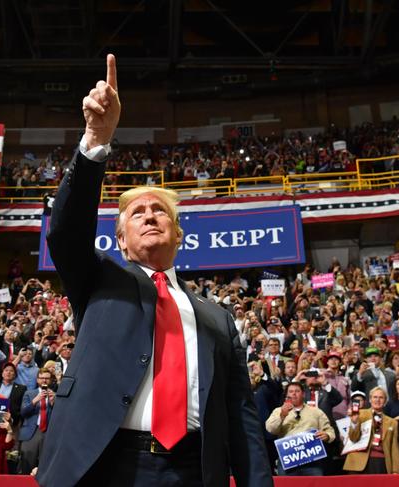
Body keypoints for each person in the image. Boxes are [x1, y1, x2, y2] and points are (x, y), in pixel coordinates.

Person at [36, 54, 272, 487]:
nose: (149, 216)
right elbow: (66, 233)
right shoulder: (100, 281)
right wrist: (95, 141)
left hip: (193, 470)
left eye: (159, 211)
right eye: (137, 212)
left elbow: (242, 417)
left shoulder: (219, 319)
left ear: (178, 234)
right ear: (121, 240)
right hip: (104, 464)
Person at [265, 382, 335, 475]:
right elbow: (270, 429)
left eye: (297, 391)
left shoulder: (316, 411)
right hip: (287, 460)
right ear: (286, 395)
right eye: (291, 391)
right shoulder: (278, 411)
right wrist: (282, 416)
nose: (294, 393)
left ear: (303, 394)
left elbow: (329, 430)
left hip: (312, 462)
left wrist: (327, 435)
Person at [343, 386, 399, 474]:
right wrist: (354, 422)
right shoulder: (359, 414)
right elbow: (353, 438)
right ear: (370, 400)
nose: (377, 400)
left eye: (381, 397)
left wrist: (395, 471)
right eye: (375, 397)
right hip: (358, 463)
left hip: (381, 462)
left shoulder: (392, 422)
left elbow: (394, 448)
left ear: (385, 402)